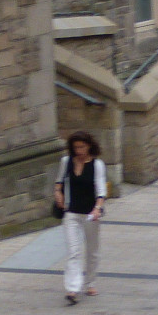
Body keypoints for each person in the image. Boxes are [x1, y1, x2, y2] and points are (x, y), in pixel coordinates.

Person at [51, 130, 107, 304]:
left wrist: (97, 208)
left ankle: (90, 282)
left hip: (90, 214)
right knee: (74, 252)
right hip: (71, 213)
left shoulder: (97, 165)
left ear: (89, 146)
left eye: (82, 147)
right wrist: (58, 193)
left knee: (92, 250)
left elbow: (101, 191)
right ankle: (73, 289)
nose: (79, 151)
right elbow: (59, 182)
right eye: (76, 147)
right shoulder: (66, 162)